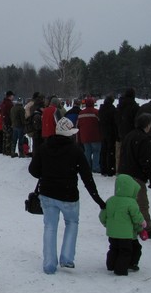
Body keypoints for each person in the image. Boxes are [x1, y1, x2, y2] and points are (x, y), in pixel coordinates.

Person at [28, 117, 106, 275]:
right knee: (71, 223)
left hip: (47, 193)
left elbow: (33, 170)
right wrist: (98, 199)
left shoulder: (45, 147)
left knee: (50, 227)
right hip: (68, 194)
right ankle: (67, 258)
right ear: (70, 134)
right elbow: (86, 177)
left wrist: (46, 173)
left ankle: (49, 264)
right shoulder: (75, 150)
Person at [118, 113, 151, 239]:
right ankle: (146, 228)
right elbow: (145, 161)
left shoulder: (129, 135)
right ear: (147, 125)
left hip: (124, 174)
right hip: (135, 175)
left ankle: (128, 225)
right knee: (142, 203)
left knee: (127, 202)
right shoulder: (143, 138)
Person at [99, 174, 146, 276]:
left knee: (114, 248)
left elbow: (102, 215)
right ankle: (120, 270)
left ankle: (111, 265)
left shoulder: (110, 200)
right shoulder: (131, 202)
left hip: (112, 233)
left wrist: (107, 224)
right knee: (125, 251)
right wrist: (142, 223)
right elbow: (136, 217)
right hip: (125, 235)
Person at [77, 97, 102, 173]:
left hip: (84, 136)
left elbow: (78, 125)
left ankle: (87, 167)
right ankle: (96, 167)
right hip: (95, 136)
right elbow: (101, 123)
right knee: (96, 152)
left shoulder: (81, 113)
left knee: (87, 152)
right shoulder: (96, 112)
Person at [98, 95, 117, 177]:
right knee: (110, 151)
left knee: (103, 151)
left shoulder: (101, 109)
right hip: (111, 132)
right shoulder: (113, 110)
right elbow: (115, 122)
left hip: (103, 131)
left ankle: (103, 168)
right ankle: (110, 169)